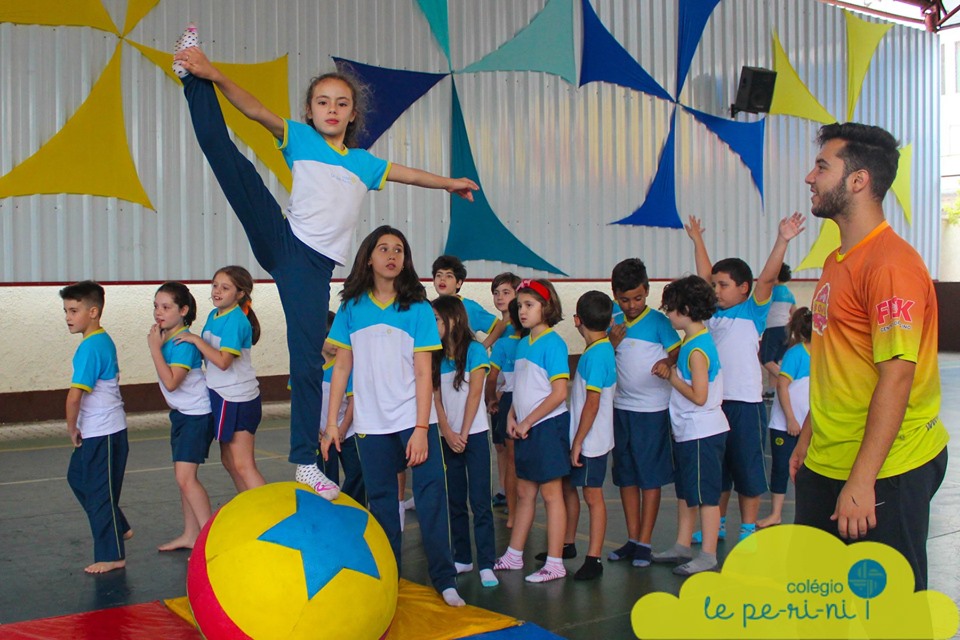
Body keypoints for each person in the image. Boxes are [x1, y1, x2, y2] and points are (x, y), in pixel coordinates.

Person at [172, 25, 478, 496]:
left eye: (340, 103)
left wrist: (450, 183)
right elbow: (253, 109)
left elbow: (411, 175)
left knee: (310, 358)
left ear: (352, 113)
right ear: (310, 112)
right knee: (231, 162)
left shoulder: (365, 163)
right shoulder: (299, 138)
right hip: (283, 236)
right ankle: (189, 76)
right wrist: (210, 74)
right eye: (322, 102)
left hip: (310, 267)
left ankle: (304, 461)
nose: (331, 109)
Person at [789, 122, 949, 591]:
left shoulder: (890, 265)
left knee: (887, 609)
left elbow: (896, 379)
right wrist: (807, 439)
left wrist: (863, 482)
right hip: (827, 458)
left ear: (857, 181)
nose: (810, 178)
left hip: (886, 469)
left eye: (822, 166)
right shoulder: (838, 262)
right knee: (822, 600)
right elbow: (837, 365)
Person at [323, 226, 465, 607]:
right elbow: (340, 369)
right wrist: (334, 424)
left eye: (399, 249)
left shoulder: (418, 309)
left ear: (405, 260)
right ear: (369, 257)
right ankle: (390, 577)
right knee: (383, 502)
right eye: (383, 248)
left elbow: (424, 373)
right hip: (371, 424)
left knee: (432, 495)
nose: (391, 255)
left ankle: (445, 579)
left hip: (413, 421)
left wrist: (421, 428)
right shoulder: (352, 308)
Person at [684, 211, 806, 542]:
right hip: (716, 404)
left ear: (743, 288)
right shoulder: (709, 316)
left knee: (747, 469)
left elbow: (766, 279)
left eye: (724, 285)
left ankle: (748, 527)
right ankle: (718, 523)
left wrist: (783, 239)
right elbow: (704, 273)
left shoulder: (752, 312)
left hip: (745, 404)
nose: (717, 290)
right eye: (714, 286)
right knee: (720, 468)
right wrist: (697, 240)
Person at [493, 279, 571, 584]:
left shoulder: (554, 343)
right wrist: (513, 415)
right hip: (525, 427)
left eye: (529, 305)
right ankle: (514, 554)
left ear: (547, 307)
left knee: (552, 495)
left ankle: (555, 562)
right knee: (525, 492)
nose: (522, 311)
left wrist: (528, 421)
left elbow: (558, 393)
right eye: (520, 305)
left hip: (547, 428)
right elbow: (520, 387)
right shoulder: (523, 343)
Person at [606, 258, 681, 568]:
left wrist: (668, 362)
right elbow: (600, 353)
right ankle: (633, 538)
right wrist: (611, 341)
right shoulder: (613, 321)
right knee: (626, 477)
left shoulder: (660, 323)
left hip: (651, 411)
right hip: (621, 407)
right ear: (614, 295)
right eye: (625, 299)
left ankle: (646, 541)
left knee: (649, 477)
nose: (632, 304)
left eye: (638, 298)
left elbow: (677, 348)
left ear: (647, 291)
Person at [652, 275, 729, 576]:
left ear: (684, 309)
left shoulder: (697, 349)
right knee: (687, 492)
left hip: (702, 431)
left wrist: (672, 378)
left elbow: (699, 395)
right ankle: (683, 544)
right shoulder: (691, 341)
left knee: (706, 495)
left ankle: (708, 554)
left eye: (670, 308)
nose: (668, 314)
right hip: (688, 430)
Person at [60, 281, 132, 574]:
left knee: (100, 492)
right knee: (77, 477)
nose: (68, 317)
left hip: (104, 431)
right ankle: (120, 525)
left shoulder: (92, 347)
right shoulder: (96, 341)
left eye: (74, 310)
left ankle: (113, 554)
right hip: (97, 430)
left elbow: (75, 396)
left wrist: (71, 427)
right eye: (65, 311)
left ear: (93, 311)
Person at [176, 266, 267, 494]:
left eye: (225, 288)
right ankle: (248, 507)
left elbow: (224, 361)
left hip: (237, 397)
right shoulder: (213, 315)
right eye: (215, 285)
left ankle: (270, 517)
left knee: (243, 464)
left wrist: (196, 340)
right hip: (221, 394)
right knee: (229, 460)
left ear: (240, 294)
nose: (217, 291)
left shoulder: (236, 321)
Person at [432, 295, 498, 588]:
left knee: (480, 500)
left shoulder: (474, 351)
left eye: (436, 319)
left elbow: (475, 394)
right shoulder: (433, 355)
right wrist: (447, 430)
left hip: (475, 435)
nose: (432, 324)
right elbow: (435, 397)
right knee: (455, 500)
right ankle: (462, 557)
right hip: (449, 437)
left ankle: (486, 562)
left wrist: (464, 432)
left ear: (453, 320)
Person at [148, 282, 216, 551]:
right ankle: (191, 534)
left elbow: (173, 381)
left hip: (197, 415)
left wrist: (154, 348)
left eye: (166, 307)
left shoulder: (182, 342)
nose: (158, 312)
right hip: (182, 414)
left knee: (186, 478)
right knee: (183, 479)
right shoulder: (165, 338)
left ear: (184, 310)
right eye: (156, 306)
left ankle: (210, 539)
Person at [559, 291, 617, 581]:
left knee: (593, 496)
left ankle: (593, 557)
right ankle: (567, 543)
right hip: (585, 437)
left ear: (576, 320)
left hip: (591, 441)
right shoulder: (599, 349)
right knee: (571, 488)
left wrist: (579, 441)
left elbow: (592, 403)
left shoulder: (597, 355)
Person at [758, 307, 811, 529]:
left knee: (809, 471)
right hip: (786, 425)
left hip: (810, 426)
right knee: (781, 468)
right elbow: (783, 385)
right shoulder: (796, 354)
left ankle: (806, 514)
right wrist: (790, 419)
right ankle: (776, 513)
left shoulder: (827, 355)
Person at [318, 311, 365, 505]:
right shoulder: (310, 368)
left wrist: (343, 429)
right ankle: (330, 513)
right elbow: (302, 401)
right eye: (330, 337)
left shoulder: (347, 366)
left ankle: (351, 507)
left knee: (358, 474)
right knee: (325, 479)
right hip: (321, 436)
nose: (335, 342)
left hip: (347, 433)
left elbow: (353, 402)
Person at [487, 296, 525, 528]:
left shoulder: (542, 342)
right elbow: (491, 378)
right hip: (512, 401)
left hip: (535, 404)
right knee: (511, 457)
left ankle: (518, 511)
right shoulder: (504, 343)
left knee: (519, 460)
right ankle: (513, 513)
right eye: (521, 307)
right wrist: (492, 397)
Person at [432, 254, 504, 348]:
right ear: (433, 281)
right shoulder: (429, 307)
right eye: (438, 275)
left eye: (449, 276)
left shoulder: (469, 306)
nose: (442, 279)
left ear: (459, 283)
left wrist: (481, 348)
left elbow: (499, 326)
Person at [760, 263, 796, 396]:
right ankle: (772, 390)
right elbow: (794, 312)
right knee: (775, 360)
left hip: (772, 329)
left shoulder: (772, 291)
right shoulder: (789, 293)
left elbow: (763, 307)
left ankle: (787, 380)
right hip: (785, 330)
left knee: (766, 360)